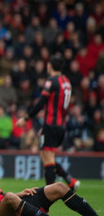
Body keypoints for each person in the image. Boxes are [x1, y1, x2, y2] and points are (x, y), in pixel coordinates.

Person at [15, 54, 79, 190]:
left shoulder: (52, 80)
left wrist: (25, 118)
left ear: (50, 65)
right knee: (46, 156)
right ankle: (69, 179)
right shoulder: (66, 81)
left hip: (51, 124)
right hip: (60, 125)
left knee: (47, 158)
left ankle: (50, 193)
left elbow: (41, 103)